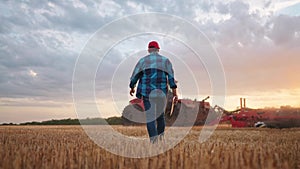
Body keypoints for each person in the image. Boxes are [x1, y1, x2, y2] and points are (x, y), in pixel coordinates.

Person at [129, 41, 178, 143]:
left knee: (150, 117)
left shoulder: (142, 61)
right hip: (161, 94)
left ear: (149, 50)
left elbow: (134, 77)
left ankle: (154, 142)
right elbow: (171, 78)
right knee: (160, 117)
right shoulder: (165, 61)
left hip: (147, 93)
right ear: (158, 49)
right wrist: (174, 93)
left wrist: (132, 87)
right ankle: (160, 140)